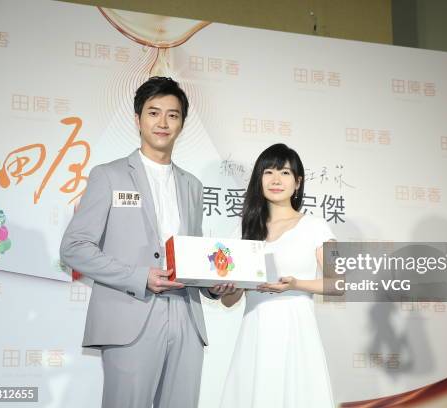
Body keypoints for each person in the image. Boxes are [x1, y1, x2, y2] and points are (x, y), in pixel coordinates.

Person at [60, 76, 234, 408]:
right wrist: (140, 277)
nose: (163, 122)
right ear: (137, 119)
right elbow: (74, 247)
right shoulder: (108, 175)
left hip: (186, 316)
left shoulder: (193, 186)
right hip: (132, 315)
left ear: (182, 124)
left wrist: (214, 285)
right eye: (154, 113)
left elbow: (190, 255)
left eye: (173, 114)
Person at [219, 143, 336, 408]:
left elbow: (340, 282)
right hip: (255, 330)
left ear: (298, 182)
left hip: (296, 331)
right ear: (258, 179)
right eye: (268, 172)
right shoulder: (242, 229)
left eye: (284, 173)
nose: (275, 180)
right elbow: (228, 302)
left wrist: (296, 284)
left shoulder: (315, 226)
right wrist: (230, 287)